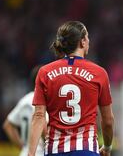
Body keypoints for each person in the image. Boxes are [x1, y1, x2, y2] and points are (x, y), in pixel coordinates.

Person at [28, 21, 114, 156]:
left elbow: (39, 116)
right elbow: (108, 120)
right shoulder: (99, 73)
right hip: (86, 149)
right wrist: (107, 146)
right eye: (88, 37)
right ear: (83, 41)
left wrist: (30, 154)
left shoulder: (45, 72)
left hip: (55, 150)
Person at [3, 66, 45, 156]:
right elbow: (43, 129)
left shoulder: (25, 100)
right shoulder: (43, 101)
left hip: (25, 153)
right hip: (40, 152)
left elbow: (8, 125)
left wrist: (23, 147)